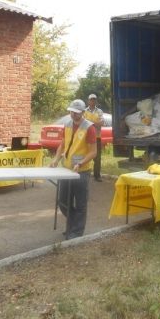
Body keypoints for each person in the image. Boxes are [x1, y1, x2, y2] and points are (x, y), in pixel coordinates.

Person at [50, 99, 97, 239]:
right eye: (71, 111)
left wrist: (81, 163)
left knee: (81, 204)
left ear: (83, 112)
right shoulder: (68, 124)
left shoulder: (89, 128)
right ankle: (73, 225)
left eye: (76, 112)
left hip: (82, 172)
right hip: (67, 170)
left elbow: (93, 152)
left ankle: (76, 232)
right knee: (63, 202)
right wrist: (56, 159)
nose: (73, 114)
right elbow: (63, 144)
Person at [83, 93, 104, 182]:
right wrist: (95, 123)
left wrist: (90, 123)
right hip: (85, 138)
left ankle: (97, 176)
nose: (93, 101)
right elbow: (83, 124)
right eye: (91, 99)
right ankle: (83, 174)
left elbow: (101, 123)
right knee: (84, 156)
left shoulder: (99, 111)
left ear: (96, 101)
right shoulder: (84, 111)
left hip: (97, 137)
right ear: (88, 101)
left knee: (97, 158)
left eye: (94, 99)